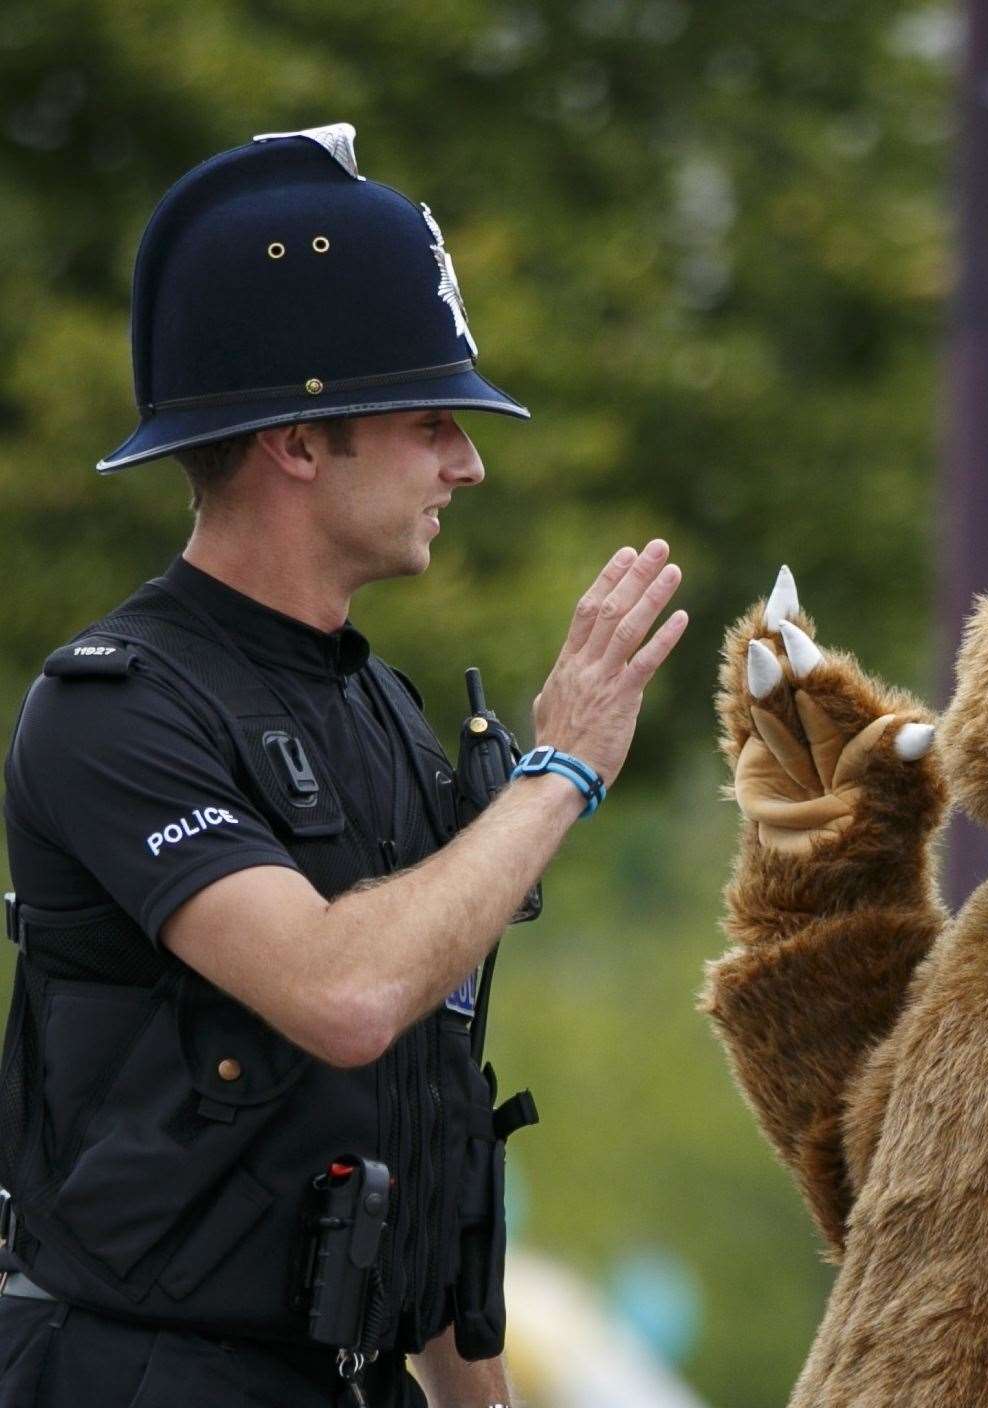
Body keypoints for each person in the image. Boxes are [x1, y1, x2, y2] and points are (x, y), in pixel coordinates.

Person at [0, 123, 687, 1407]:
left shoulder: (378, 708)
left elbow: (422, 1133)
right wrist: (563, 770)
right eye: (431, 420)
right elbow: (344, 992)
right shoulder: (109, 709)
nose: (467, 463)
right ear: (299, 444)